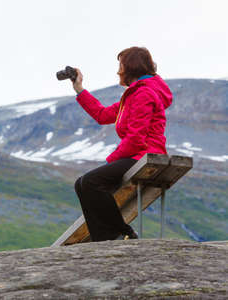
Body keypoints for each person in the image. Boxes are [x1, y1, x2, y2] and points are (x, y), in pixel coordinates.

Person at [71, 46, 173, 242]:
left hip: (145, 153)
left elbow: (135, 138)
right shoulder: (133, 95)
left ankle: (122, 232)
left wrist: (111, 160)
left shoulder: (143, 94)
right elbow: (102, 115)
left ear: (131, 67)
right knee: (81, 183)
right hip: (136, 154)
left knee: (92, 182)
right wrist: (79, 89)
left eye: (121, 65)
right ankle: (104, 238)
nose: (119, 70)